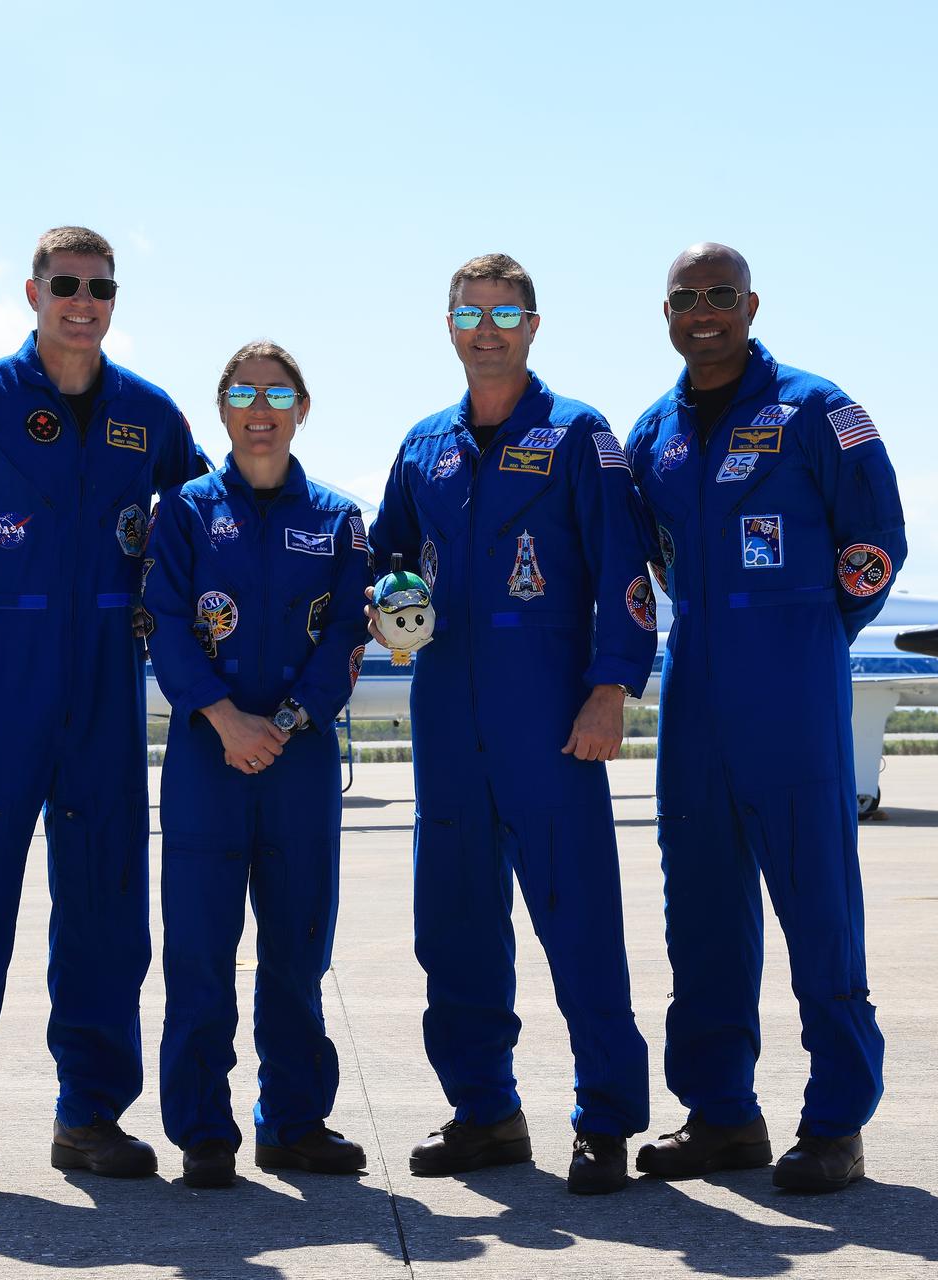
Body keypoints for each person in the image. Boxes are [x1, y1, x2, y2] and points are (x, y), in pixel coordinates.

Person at [0, 225, 209, 1200]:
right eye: (66, 284)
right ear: (32, 292)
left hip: (107, 689)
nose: (83, 302)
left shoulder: (149, 416)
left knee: (107, 912)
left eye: (100, 288)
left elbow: (214, 523)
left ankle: (91, 1116)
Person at [369, 253, 655, 1195]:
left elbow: (624, 570)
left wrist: (611, 689)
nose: (485, 329)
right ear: (448, 326)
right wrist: (384, 599)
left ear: (533, 325)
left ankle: (605, 1118)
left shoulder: (579, 434)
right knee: (453, 928)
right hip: (447, 716)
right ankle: (484, 1111)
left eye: (503, 313)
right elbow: (387, 554)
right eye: (469, 313)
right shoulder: (423, 445)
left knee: (579, 922)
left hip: (551, 717)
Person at [624, 242, 906, 1193]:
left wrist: (812, 633)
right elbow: (648, 556)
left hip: (792, 682)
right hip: (695, 684)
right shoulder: (652, 432)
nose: (703, 311)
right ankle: (721, 1116)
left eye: (720, 294)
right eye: (686, 297)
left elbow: (876, 544)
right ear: (667, 313)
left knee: (817, 906)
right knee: (701, 911)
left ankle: (836, 1122)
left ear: (751, 305)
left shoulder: (819, 411)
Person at [142, 341, 373, 1190]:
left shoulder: (341, 519)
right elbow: (164, 621)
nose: (261, 409)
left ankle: (294, 1123)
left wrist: (284, 721)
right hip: (207, 757)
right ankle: (205, 1130)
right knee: (200, 951)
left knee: (298, 949)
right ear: (223, 411)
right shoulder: (185, 512)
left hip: (299, 758)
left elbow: (347, 632)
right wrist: (224, 718)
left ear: (302, 408)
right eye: (243, 394)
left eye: (277, 394)